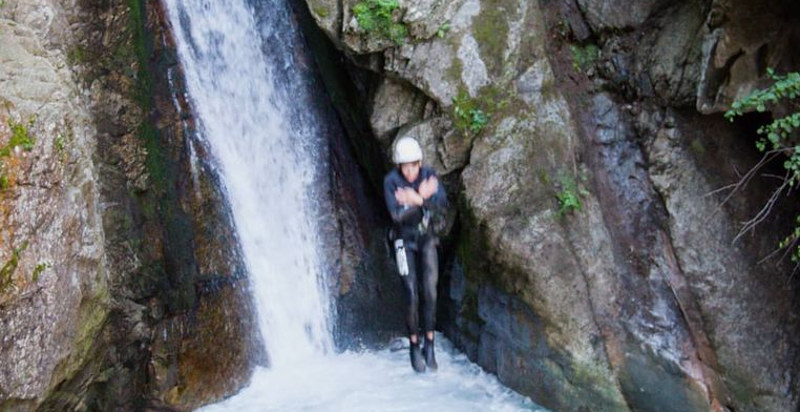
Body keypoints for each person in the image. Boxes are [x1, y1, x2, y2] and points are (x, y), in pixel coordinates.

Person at [383, 136, 448, 373]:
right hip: (403, 240)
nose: (409, 172)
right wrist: (422, 201)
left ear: (419, 163)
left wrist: (416, 200)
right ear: (399, 167)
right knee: (411, 292)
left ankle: (430, 343)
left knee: (430, 291)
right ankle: (414, 343)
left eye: (413, 166)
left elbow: (441, 209)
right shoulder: (391, 181)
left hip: (426, 238)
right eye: (405, 167)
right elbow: (397, 216)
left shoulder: (429, 175)